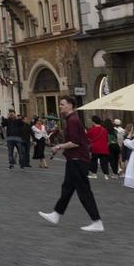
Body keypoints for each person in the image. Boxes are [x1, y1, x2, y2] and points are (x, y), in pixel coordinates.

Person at [39, 95, 103, 231]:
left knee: (83, 191)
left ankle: (97, 221)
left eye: (62, 104)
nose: (60, 106)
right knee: (67, 188)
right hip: (74, 159)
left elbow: (75, 142)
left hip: (77, 160)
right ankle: (56, 214)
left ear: (70, 106)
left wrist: (58, 146)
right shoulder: (71, 120)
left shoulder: (73, 120)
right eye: (60, 104)